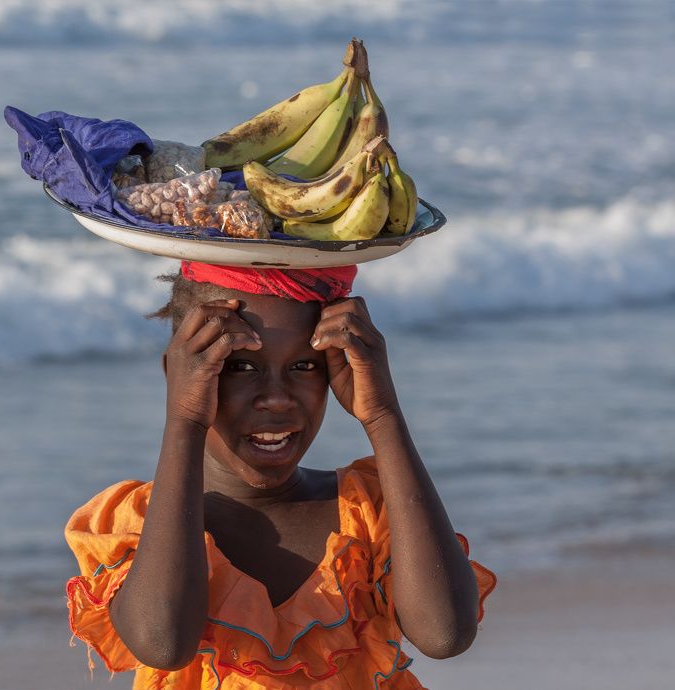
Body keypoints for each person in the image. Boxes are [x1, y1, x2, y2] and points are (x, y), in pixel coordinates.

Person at [65, 261, 496, 689]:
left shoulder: (367, 510)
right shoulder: (140, 527)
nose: (276, 398)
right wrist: (184, 420)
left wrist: (382, 414)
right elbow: (163, 643)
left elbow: (444, 633)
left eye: (305, 366)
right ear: (179, 373)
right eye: (240, 367)